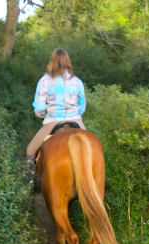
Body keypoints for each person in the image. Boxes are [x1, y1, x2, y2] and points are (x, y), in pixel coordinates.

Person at [26, 48, 86, 186]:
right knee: (93, 146)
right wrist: (74, 115)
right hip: (76, 120)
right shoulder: (77, 82)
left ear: (52, 61)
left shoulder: (44, 81)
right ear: (67, 61)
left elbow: (39, 109)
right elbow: (82, 107)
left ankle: (36, 182)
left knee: (30, 150)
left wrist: (43, 115)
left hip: (52, 122)